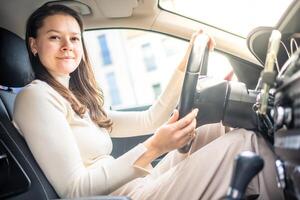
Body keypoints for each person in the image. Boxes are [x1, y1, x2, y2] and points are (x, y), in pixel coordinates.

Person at [13, 4, 283, 200]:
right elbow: (74, 191)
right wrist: (154, 147)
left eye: (74, 38)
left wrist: (185, 63)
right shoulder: (35, 97)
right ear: (34, 45)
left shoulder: (75, 99)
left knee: (215, 126)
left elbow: (150, 119)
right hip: (131, 197)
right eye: (54, 37)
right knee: (248, 145)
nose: (67, 46)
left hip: (142, 185)